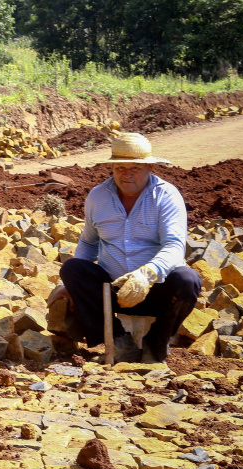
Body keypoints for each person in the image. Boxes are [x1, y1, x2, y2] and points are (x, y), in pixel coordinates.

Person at [48, 133, 201, 363]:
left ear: (149, 167)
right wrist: (69, 285)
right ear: (112, 168)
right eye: (120, 167)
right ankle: (119, 341)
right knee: (73, 269)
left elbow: (174, 245)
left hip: (156, 289)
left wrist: (148, 274)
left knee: (188, 280)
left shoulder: (166, 196)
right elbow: (89, 243)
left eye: (135, 168)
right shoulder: (98, 197)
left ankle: (157, 343)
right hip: (113, 290)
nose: (127, 174)